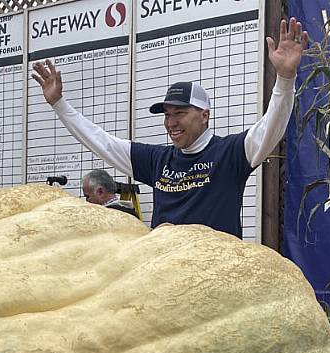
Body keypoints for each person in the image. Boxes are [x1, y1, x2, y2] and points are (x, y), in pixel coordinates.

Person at [31, 18, 309, 238]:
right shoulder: (157, 160)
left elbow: (271, 127)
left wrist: (285, 78)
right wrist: (59, 104)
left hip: (215, 280)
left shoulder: (231, 154)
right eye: (167, 115)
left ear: (204, 116)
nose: (171, 123)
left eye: (180, 113)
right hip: (164, 280)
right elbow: (100, 140)